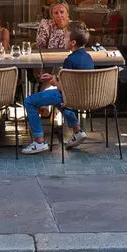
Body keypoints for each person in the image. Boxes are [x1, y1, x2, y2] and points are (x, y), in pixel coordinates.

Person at [21, 23, 93, 154]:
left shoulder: (69, 60)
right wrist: (54, 77)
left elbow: (64, 88)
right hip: (83, 96)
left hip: (68, 96)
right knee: (60, 101)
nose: (63, 40)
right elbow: (73, 80)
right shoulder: (88, 57)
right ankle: (77, 130)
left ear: (73, 42)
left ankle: (39, 141)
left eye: (65, 37)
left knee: (29, 101)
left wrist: (53, 81)